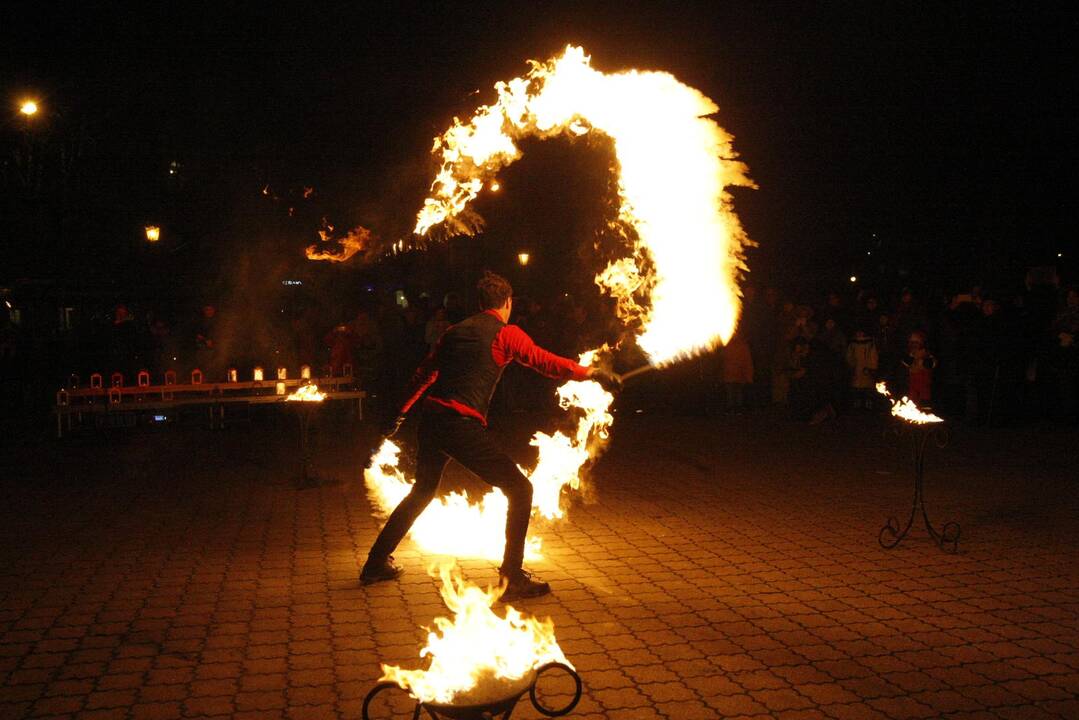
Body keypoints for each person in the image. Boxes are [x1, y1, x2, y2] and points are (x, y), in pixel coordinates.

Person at [360, 271, 622, 600]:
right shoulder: (505, 333)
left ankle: (375, 563)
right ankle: (511, 577)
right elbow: (545, 362)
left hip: (433, 419)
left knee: (423, 490)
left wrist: (399, 413)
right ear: (507, 303)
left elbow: (423, 375)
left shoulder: (453, 332)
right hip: (459, 424)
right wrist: (592, 373)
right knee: (520, 489)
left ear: (481, 303)